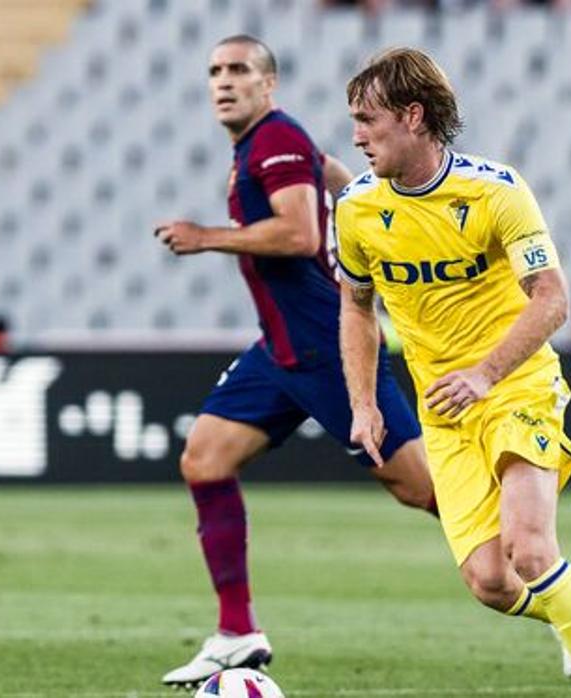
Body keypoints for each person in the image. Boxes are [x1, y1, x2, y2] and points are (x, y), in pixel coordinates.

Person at [335, 47, 571, 697]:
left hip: (516, 383)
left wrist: (484, 372)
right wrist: (363, 403)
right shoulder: (358, 210)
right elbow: (357, 308)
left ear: (414, 116)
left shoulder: (494, 190)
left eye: (369, 119)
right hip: (444, 409)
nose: (356, 135)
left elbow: (553, 298)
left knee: (532, 553)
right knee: (494, 584)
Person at [153, 35, 435, 688]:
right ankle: (237, 632)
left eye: (239, 70)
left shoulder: (274, 137)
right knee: (205, 457)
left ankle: (559, 586)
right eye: (215, 71)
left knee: (425, 491)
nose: (223, 81)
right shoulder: (271, 143)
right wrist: (356, 188)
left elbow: (299, 233)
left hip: (327, 349)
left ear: (268, 83)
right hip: (279, 350)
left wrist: (207, 238)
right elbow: (331, 173)